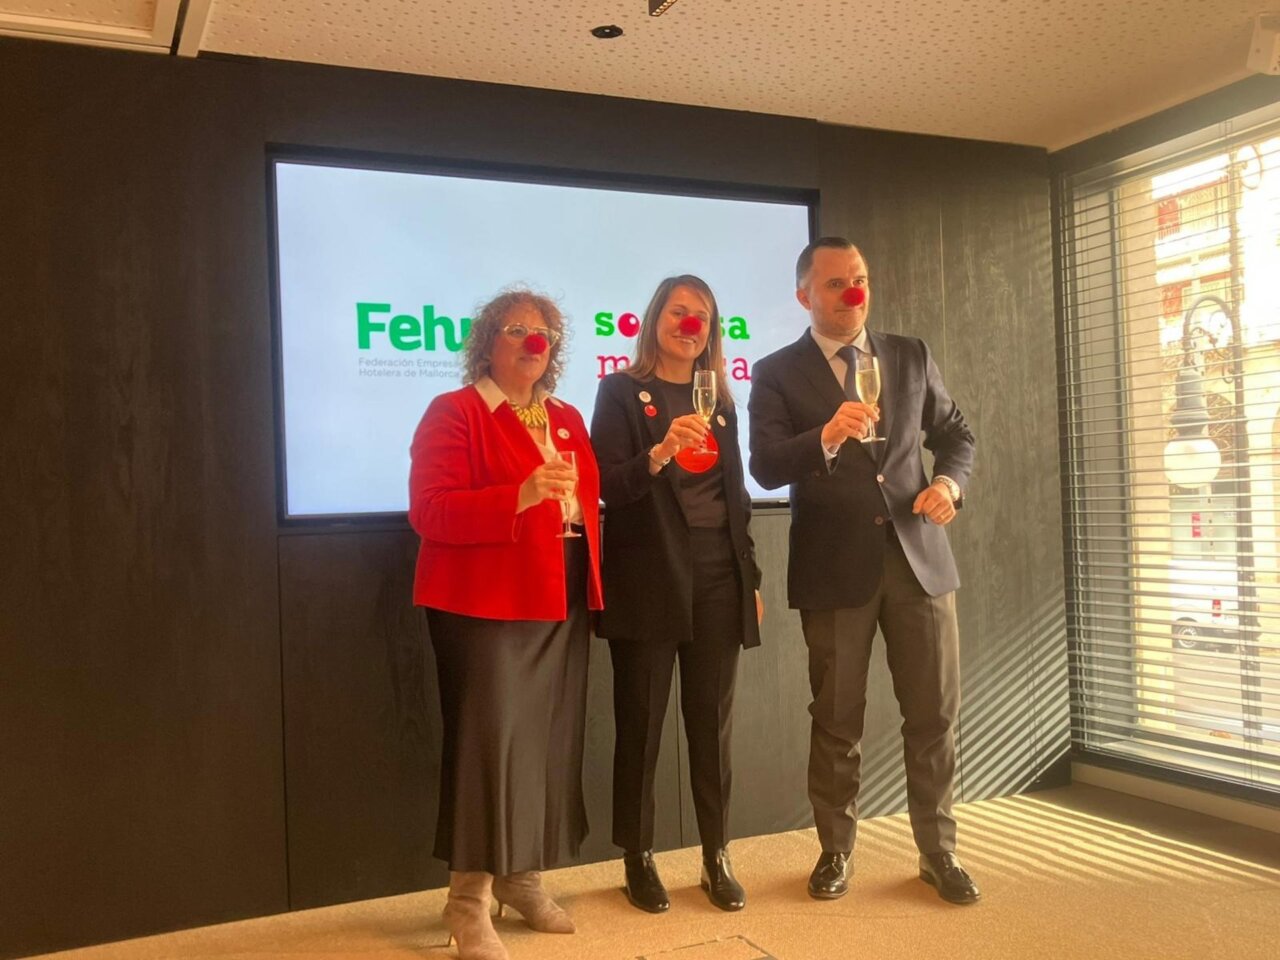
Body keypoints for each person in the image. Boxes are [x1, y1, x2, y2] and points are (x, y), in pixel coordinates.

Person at [747, 238, 980, 905]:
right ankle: (835, 853)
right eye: (835, 284)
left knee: (934, 716)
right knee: (837, 719)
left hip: (920, 563)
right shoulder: (776, 372)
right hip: (834, 569)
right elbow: (764, 464)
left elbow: (956, 435)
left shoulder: (908, 354)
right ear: (804, 295)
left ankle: (940, 854)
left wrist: (950, 487)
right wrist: (825, 435)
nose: (853, 293)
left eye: (861, 280)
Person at [408, 289, 603, 960]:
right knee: (489, 752)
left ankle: (522, 878)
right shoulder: (455, 412)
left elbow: (586, 506)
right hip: (484, 604)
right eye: (516, 329)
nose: (532, 340)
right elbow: (430, 513)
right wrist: (518, 496)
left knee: (547, 744)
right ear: (488, 342)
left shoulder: (569, 418)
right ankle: (467, 903)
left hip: (561, 594)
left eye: (543, 330)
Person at [590, 275, 763, 915]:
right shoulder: (621, 391)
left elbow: (736, 496)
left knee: (710, 725)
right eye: (678, 312)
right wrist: (660, 452)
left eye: (702, 316)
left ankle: (716, 853)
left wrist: (752, 579)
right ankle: (637, 856)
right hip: (649, 577)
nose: (689, 324)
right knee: (641, 722)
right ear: (655, 319)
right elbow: (607, 484)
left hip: (719, 574)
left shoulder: (719, 399)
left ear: (712, 331)